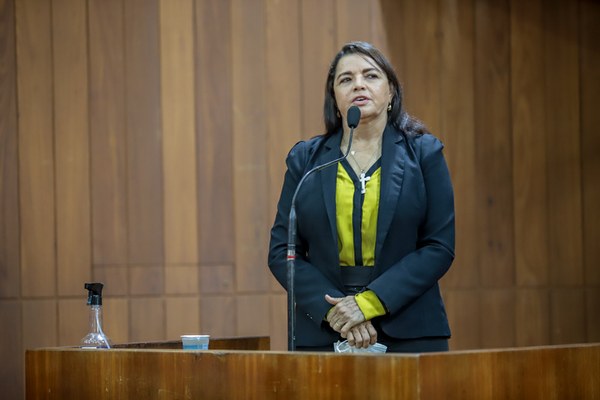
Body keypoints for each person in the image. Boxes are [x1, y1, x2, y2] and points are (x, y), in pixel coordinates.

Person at [268, 41, 455, 353]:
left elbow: (439, 246)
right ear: (334, 99)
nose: (358, 85)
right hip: (325, 330)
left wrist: (367, 303)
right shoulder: (306, 160)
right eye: (346, 79)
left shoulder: (425, 154)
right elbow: (282, 252)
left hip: (409, 328)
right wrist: (335, 312)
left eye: (371, 76)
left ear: (391, 91)